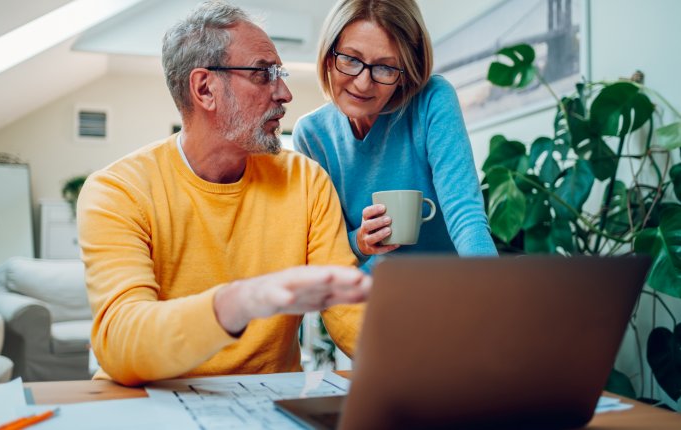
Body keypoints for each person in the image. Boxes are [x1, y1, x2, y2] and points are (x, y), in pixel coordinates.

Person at [76, 0, 369, 387]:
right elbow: (122, 342)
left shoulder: (306, 181)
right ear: (205, 89)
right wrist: (239, 301)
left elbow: (348, 318)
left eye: (279, 74)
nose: (284, 93)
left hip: (267, 406)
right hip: (150, 403)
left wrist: (433, 357)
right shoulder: (118, 191)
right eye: (264, 74)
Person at [293, 0, 497, 271]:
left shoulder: (431, 100)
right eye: (351, 59)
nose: (363, 83)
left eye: (385, 68)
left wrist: (496, 288)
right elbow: (324, 247)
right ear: (329, 58)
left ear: (405, 73)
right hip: (364, 299)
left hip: (445, 288)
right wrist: (360, 242)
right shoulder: (311, 135)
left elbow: (466, 215)